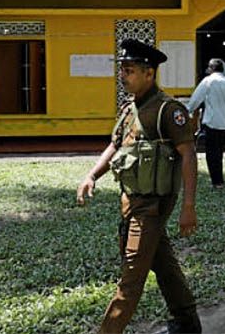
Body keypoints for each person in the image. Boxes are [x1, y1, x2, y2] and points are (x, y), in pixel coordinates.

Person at [75, 39, 202, 333]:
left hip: (153, 207)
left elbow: (189, 155)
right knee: (164, 265)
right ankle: (187, 323)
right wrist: (92, 175)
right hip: (130, 202)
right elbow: (115, 145)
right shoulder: (128, 109)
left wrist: (189, 206)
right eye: (122, 70)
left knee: (131, 280)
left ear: (149, 73)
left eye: (129, 70)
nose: (123, 75)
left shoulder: (168, 111)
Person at [186, 58, 225, 188]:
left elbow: (196, 99)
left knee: (211, 153)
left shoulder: (207, 81)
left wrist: (187, 111)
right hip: (224, 122)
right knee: (219, 152)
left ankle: (216, 181)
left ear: (211, 69)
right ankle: (219, 178)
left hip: (210, 121)